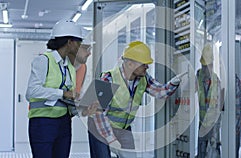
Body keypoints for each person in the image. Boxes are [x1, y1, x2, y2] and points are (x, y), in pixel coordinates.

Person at [87, 41, 184, 158]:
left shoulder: (143, 78)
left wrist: (173, 83)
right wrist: (110, 139)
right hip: (99, 126)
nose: (147, 67)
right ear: (130, 64)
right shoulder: (108, 78)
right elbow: (98, 113)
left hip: (123, 127)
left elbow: (160, 92)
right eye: (144, 64)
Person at [25, 20, 83, 158]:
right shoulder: (44, 60)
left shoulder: (69, 66)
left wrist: (83, 107)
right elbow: (31, 92)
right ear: (69, 42)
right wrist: (63, 93)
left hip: (64, 122)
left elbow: (68, 98)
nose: (80, 45)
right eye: (79, 41)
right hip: (43, 122)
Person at [196, 44, 221, 158]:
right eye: (203, 66)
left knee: (213, 153)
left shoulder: (217, 82)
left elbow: (219, 108)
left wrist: (216, 131)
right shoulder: (198, 76)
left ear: (212, 65)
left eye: (208, 66)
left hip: (212, 126)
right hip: (202, 125)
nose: (205, 69)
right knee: (201, 153)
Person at [235, 74, 241, 157]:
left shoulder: (236, 82)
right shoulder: (217, 80)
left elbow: (240, 110)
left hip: (233, 127)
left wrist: (236, 128)